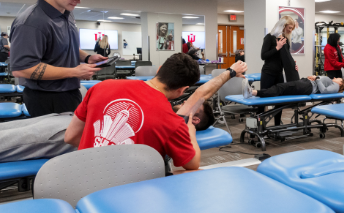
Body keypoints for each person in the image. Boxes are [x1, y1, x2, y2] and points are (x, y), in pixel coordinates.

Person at [65, 53, 248, 171]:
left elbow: (70, 137)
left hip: (85, 180)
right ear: (182, 90)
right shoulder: (171, 120)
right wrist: (190, 131)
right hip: (131, 191)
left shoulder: (101, 87)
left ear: (159, 70)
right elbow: (192, 164)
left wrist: (104, 148)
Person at [10, 0, 107, 117]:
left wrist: (87, 57)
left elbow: (64, 45)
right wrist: (74, 71)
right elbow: (22, 69)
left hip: (69, 92)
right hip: (46, 98)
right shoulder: (32, 22)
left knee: (72, 140)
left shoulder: (67, 13)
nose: (78, 1)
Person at [260, 16, 300, 126]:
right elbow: (263, 56)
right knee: (263, 100)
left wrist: (293, 66)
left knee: (279, 100)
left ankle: (277, 125)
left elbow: (286, 58)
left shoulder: (285, 40)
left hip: (279, 74)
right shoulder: (269, 38)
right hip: (268, 73)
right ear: (283, 26)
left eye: (292, 28)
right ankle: (259, 126)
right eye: (289, 27)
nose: (290, 30)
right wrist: (277, 48)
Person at [244, 75, 344, 98]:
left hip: (307, 87)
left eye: (339, 78)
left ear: (341, 83)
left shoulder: (336, 87)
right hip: (306, 84)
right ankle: (253, 92)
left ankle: (253, 92)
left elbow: (323, 90)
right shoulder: (333, 83)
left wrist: (317, 78)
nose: (336, 77)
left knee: (280, 88)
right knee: (281, 88)